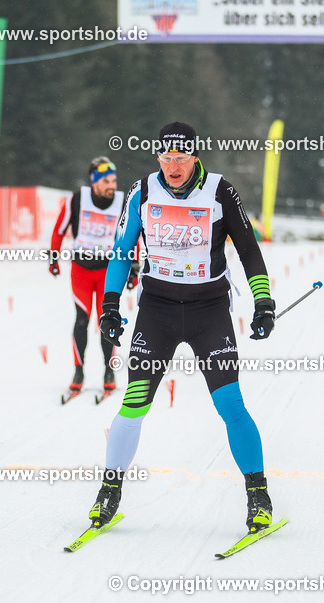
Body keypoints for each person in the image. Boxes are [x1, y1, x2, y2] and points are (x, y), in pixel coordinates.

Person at [88, 122, 277, 533]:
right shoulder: (142, 191)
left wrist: (263, 301)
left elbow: (248, 251)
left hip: (209, 311)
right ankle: (109, 489)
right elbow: (121, 252)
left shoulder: (221, 192)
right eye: (166, 157)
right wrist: (109, 305)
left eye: (181, 157)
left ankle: (258, 495)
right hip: (157, 310)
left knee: (230, 405)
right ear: (158, 157)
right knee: (134, 402)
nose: (173, 166)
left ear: (195, 156)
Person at [49, 157, 137, 397]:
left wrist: (134, 267)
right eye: (106, 181)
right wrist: (53, 257)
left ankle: (109, 372)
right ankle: (79, 372)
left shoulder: (122, 202)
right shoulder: (77, 199)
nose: (112, 185)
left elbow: (132, 235)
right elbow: (59, 229)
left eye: (114, 180)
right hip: (82, 270)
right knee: (81, 320)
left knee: (106, 320)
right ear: (94, 182)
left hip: (109, 271)